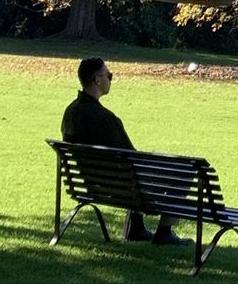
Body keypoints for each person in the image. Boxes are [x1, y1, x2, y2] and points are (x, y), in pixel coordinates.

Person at [61, 57, 189, 245]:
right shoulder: (106, 118)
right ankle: (164, 232)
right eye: (109, 75)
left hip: (91, 183)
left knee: (133, 171)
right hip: (122, 186)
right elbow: (131, 156)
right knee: (184, 171)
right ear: (97, 80)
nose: (111, 79)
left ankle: (136, 227)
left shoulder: (71, 112)